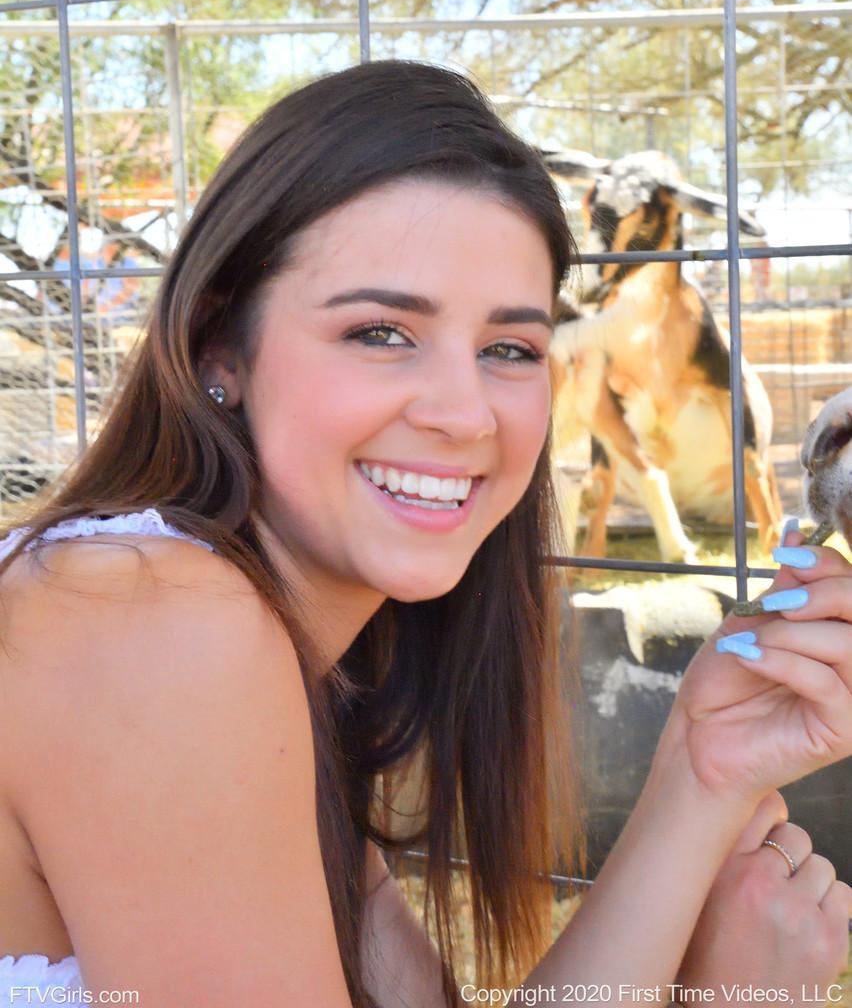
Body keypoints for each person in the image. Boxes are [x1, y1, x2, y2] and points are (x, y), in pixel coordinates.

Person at [0, 60, 849, 1008]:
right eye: (381, 332)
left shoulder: (264, 663)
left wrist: (701, 771)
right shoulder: (155, 624)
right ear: (218, 351)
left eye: (508, 350)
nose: (465, 414)